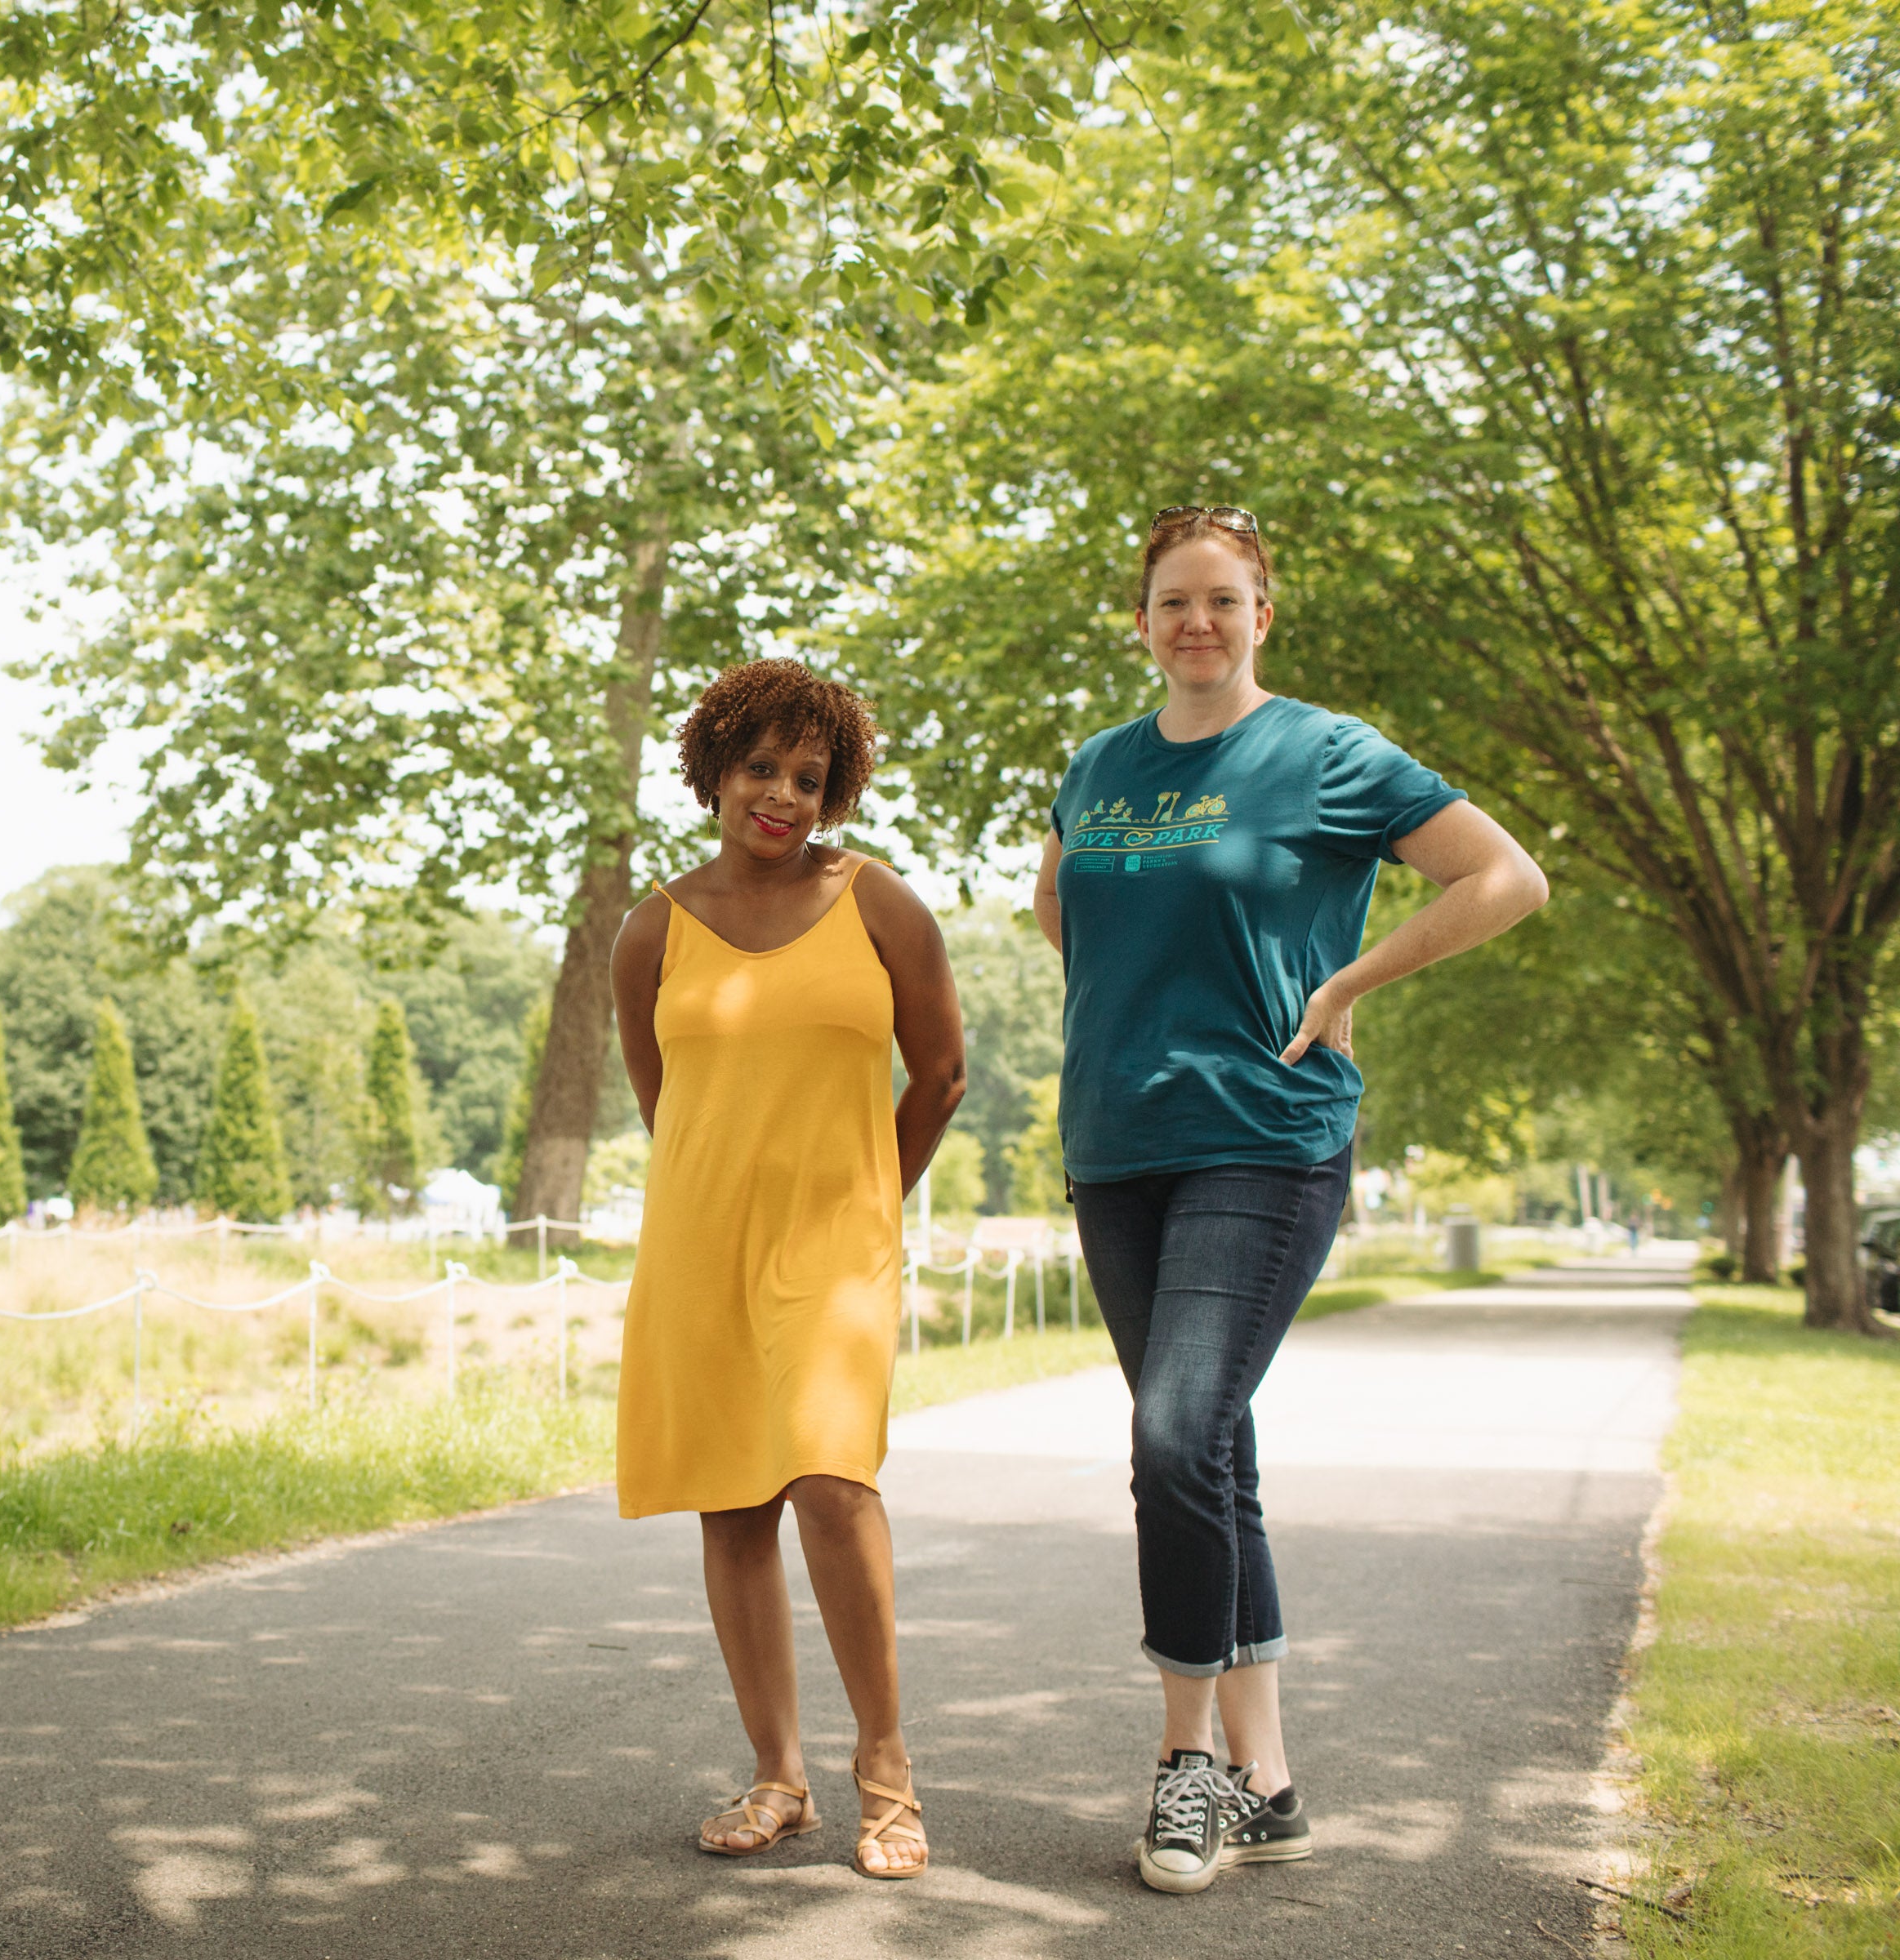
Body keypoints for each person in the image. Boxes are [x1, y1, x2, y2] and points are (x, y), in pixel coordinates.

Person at [1035, 506, 1550, 1894]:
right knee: (1214, 1456)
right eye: (1169, 601)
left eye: (1221, 599)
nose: (1195, 622)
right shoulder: (1096, 767)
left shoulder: (1326, 753)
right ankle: (1269, 1784)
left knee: (1176, 1430)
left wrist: (1343, 983)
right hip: (1116, 1145)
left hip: (1266, 1137)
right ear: (1139, 619)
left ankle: (1183, 1764)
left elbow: (1506, 875)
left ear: (1265, 612)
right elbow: (1064, 907)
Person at [612, 657, 968, 1881]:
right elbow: (671, 1106)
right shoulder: (650, 928)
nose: (781, 797)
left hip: (837, 1243)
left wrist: (874, 1195)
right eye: (760, 768)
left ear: (836, 791)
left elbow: (943, 1076)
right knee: (735, 1498)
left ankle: (887, 1776)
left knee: (829, 1477)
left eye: (808, 778)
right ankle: (780, 1777)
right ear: (714, 768)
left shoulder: (881, 905)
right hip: (701, 1242)